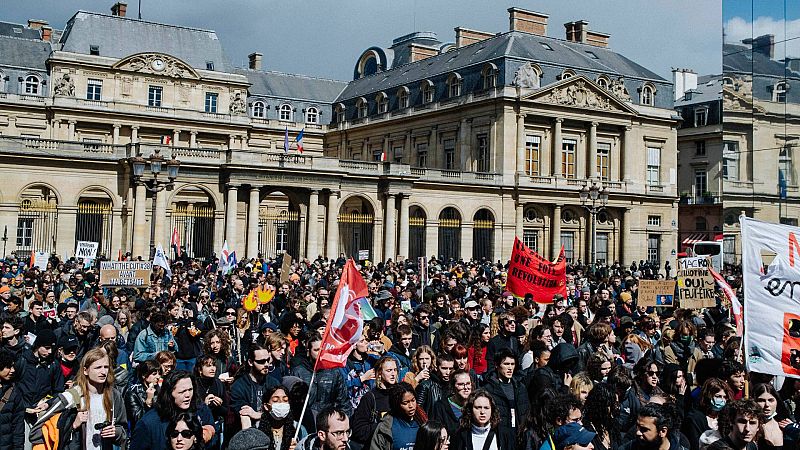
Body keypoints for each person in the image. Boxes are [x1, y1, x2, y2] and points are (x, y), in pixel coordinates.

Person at [130, 371, 215, 450]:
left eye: (190, 390)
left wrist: (206, 434)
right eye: (182, 392)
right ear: (169, 393)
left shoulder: (200, 409)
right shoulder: (148, 423)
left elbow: (212, 431)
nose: (188, 395)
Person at [352, 356, 399, 445]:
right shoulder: (370, 397)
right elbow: (359, 430)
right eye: (389, 370)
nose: (393, 374)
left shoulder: (400, 394)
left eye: (395, 370)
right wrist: (383, 427)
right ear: (379, 373)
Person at [483, 348, 529, 434]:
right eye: (506, 364)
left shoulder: (520, 388)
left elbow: (526, 412)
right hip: (499, 434)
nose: (510, 368)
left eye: (512, 364)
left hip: (518, 435)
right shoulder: (488, 389)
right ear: (497, 365)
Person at [450, 390, 515, 450]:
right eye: (478, 408)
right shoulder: (459, 435)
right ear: (470, 410)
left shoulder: (505, 435)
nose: (482, 412)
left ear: (492, 410)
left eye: (486, 408)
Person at [370, 382, 425, 450]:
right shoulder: (386, 427)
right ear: (396, 404)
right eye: (405, 403)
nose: (411, 406)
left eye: (413, 400)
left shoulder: (422, 422)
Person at [682, 378, 733, 450]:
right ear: (708, 396)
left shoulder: (727, 418)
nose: (722, 400)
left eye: (725, 397)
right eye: (718, 396)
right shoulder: (695, 418)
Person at [618, 404, 689, 450]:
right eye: (637, 426)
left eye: (644, 429)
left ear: (663, 431)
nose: (638, 433)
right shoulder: (629, 448)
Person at [430, 370, 473, 437]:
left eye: (468, 383)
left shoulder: (474, 405)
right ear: (453, 387)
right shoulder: (440, 407)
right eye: (461, 384)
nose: (466, 387)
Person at [0, 349, 24, 450]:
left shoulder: (14, 392)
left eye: (13, 366)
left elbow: (18, 428)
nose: (13, 370)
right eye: (8, 367)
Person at [125, 359, 160, 428]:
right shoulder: (133, 393)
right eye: (154, 374)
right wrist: (148, 401)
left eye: (159, 373)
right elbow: (138, 419)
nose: (158, 377)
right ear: (144, 375)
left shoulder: (159, 389)